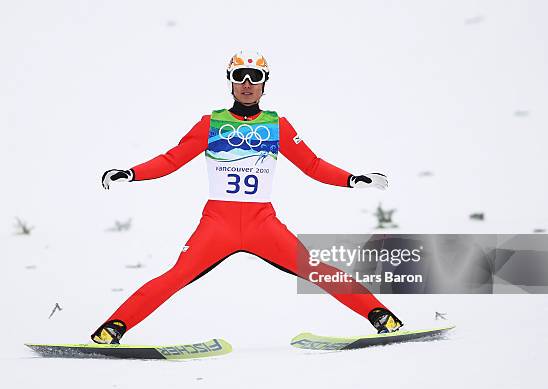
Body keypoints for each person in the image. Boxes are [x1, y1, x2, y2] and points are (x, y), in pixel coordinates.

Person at [92, 50, 403, 344]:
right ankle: (113, 328)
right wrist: (131, 173)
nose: (247, 84)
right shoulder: (210, 124)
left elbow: (312, 165)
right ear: (230, 80)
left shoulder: (277, 125)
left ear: (265, 82)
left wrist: (351, 179)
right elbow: (171, 159)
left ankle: (381, 316)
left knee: (316, 268)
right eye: (240, 76)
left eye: (255, 76)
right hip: (218, 224)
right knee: (177, 276)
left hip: (262, 224)